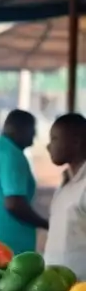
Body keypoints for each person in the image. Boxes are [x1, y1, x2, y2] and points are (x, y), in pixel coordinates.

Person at [0, 109, 47, 254]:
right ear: (21, 128)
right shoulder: (11, 155)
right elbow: (14, 204)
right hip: (6, 244)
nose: (34, 135)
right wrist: (45, 223)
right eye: (32, 129)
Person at [44, 113, 86, 278]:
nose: (48, 146)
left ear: (76, 141)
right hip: (57, 288)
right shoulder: (66, 181)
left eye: (54, 139)